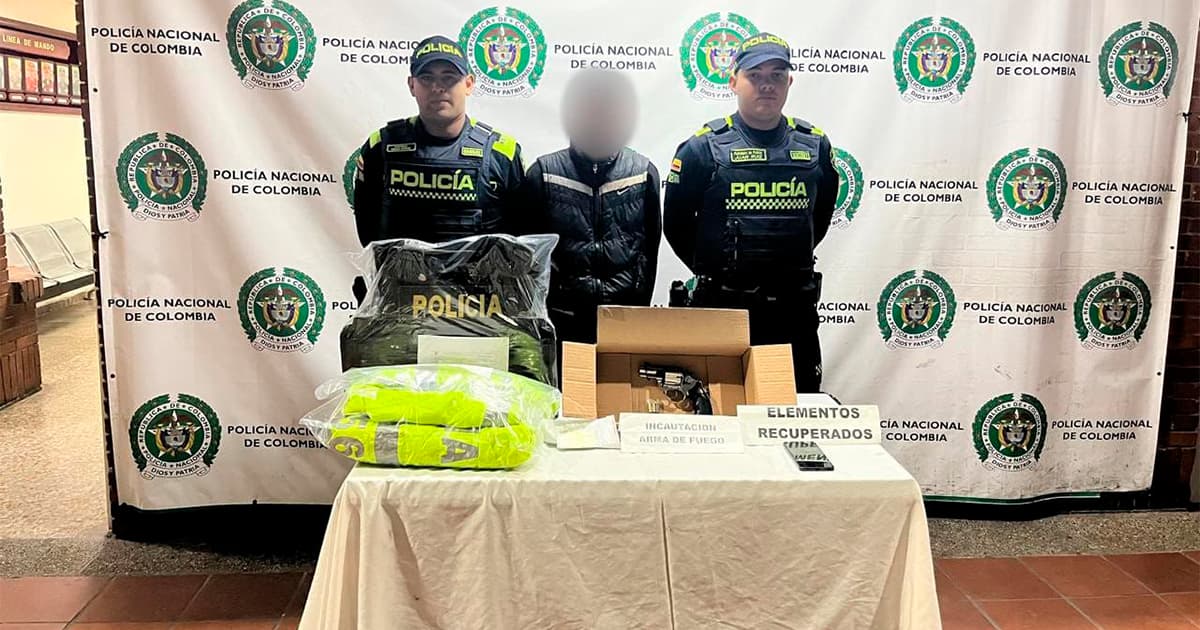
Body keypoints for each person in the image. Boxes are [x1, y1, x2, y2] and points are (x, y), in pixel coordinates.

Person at [663, 33, 837, 393]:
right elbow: (676, 225)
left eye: (776, 75)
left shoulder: (815, 145)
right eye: (754, 75)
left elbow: (818, 220)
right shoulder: (702, 148)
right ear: (733, 82)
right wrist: (718, 270)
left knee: (794, 407)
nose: (766, 85)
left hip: (793, 315)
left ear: (789, 82)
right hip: (724, 312)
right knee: (720, 411)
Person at [351, 35, 525, 301]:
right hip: (399, 303)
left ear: (468, 84)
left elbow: (520, 240)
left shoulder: (502, 153)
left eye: (449, 78)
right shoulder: (381, 147)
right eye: (427, 78)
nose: (438, 87)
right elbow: (368, 228)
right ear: (412, 85)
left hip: (478, 307)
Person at [519, 69, 661, 349]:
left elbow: (650, 249)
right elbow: (529, 254)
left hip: (623, 320)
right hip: (561, 321)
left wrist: (638, 307)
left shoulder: (642, 172)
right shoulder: (544, 173)